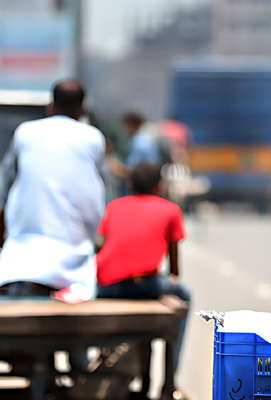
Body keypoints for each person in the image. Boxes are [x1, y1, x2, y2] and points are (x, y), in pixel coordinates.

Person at [0, 80, 105, 297]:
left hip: (21, 258)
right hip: (77, 260)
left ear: (50, 105)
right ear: (82, 109)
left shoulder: (25, 133)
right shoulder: (93, 138)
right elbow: (102, 191)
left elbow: (4, 187)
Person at [95, 161, 189, 400]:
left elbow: (106, 243)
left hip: (107, 285)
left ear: (129, 184)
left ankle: (139, 378)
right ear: (159, 186)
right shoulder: (170, 209)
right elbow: (174, 264)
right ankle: (169, 381)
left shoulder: (114, 206)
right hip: (144, 283)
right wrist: (172, 280)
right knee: (184, 295)